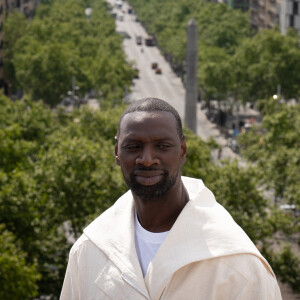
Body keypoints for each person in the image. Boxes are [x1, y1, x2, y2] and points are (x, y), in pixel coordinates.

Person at [60, 98, 282, 300]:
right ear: (117, 152)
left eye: (162, 146)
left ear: (182, 150)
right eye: (133, 146)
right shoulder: (88, 252)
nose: (147, 160)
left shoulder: (239, 266)